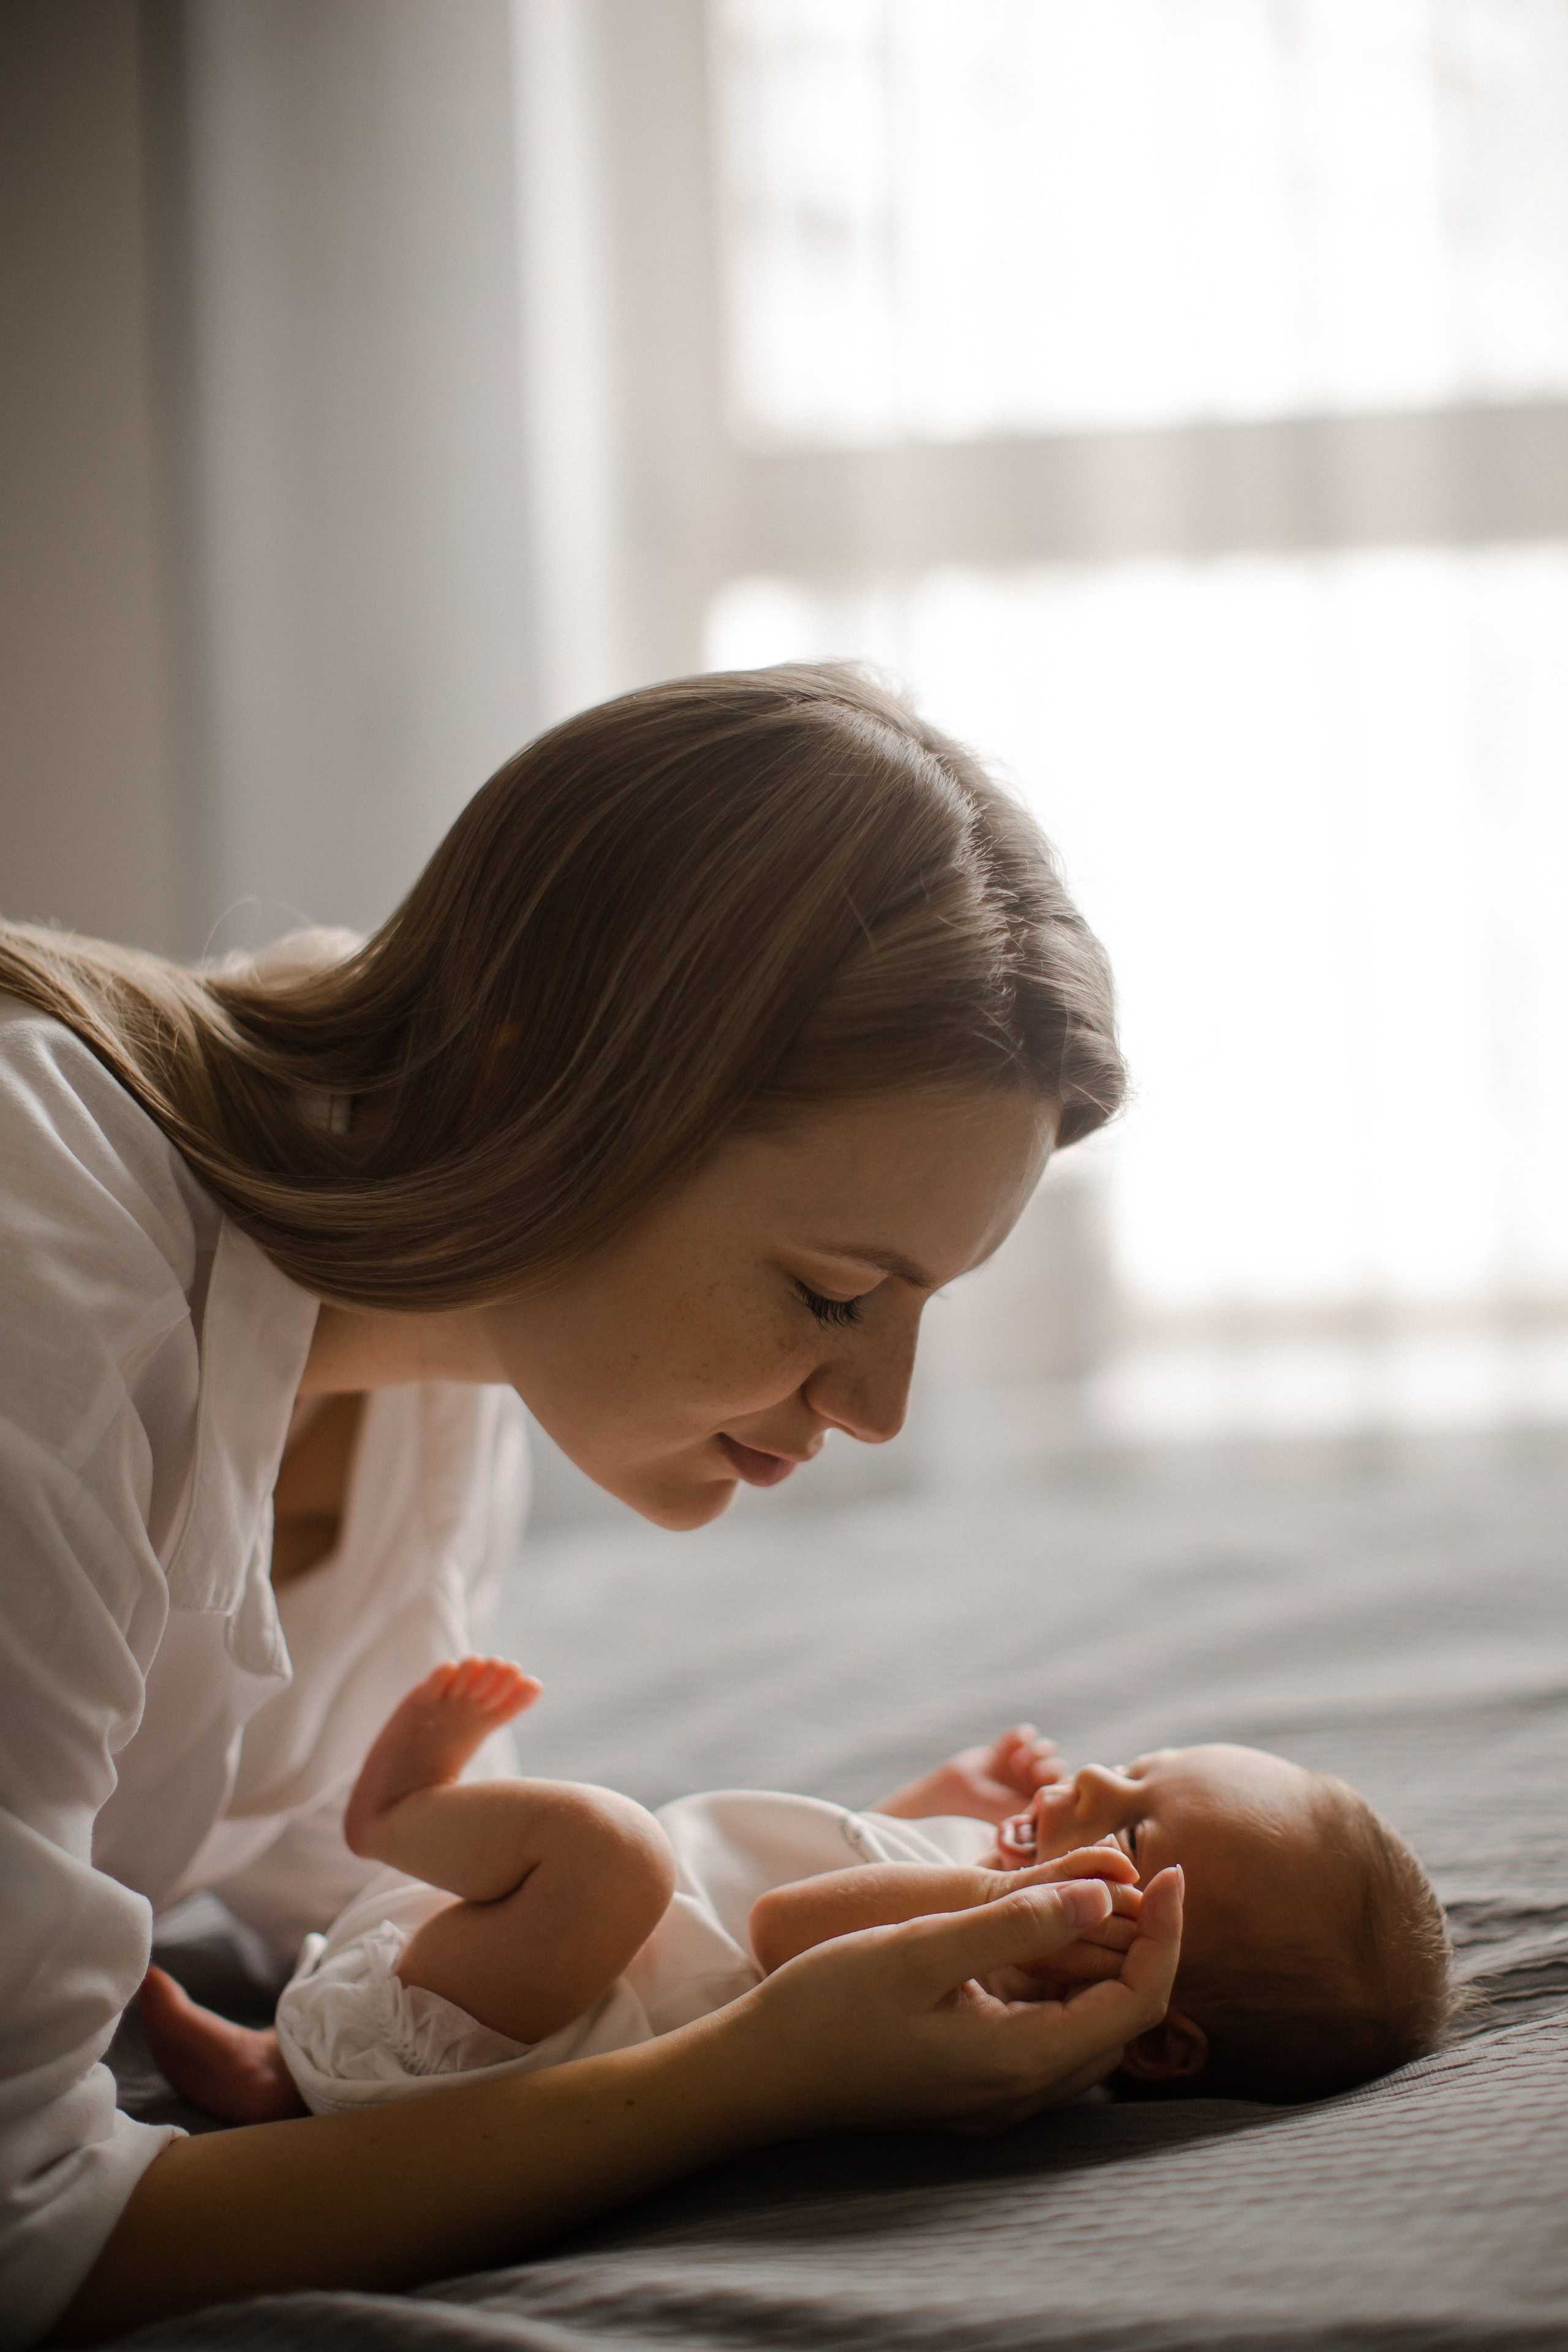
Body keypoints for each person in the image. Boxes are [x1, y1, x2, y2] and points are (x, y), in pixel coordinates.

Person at [0, 664, 1184, 2349]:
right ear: (530, 1088)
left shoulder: (442, 1330)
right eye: (839, 1296)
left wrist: (833, 1888)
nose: (877, 1410)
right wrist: (749, 2079)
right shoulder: (36, 1268)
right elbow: (36, 2240)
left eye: (923, 1310)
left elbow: (373, 1920)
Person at [140, 1664, 1449, 2124]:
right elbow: (841, 1854)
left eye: (1137, 1817)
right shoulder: (1004, 1932)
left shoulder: (996, 2011)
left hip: (509, 2031)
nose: (1098, 1775)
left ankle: (395, 1818)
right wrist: (939, 1801)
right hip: (488, 1982)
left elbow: (787, 1925)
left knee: (616, 1851)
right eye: (1142, 1760)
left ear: (1154, 2029)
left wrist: (988, 1898)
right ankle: (276, 2074)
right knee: (612, 1864)